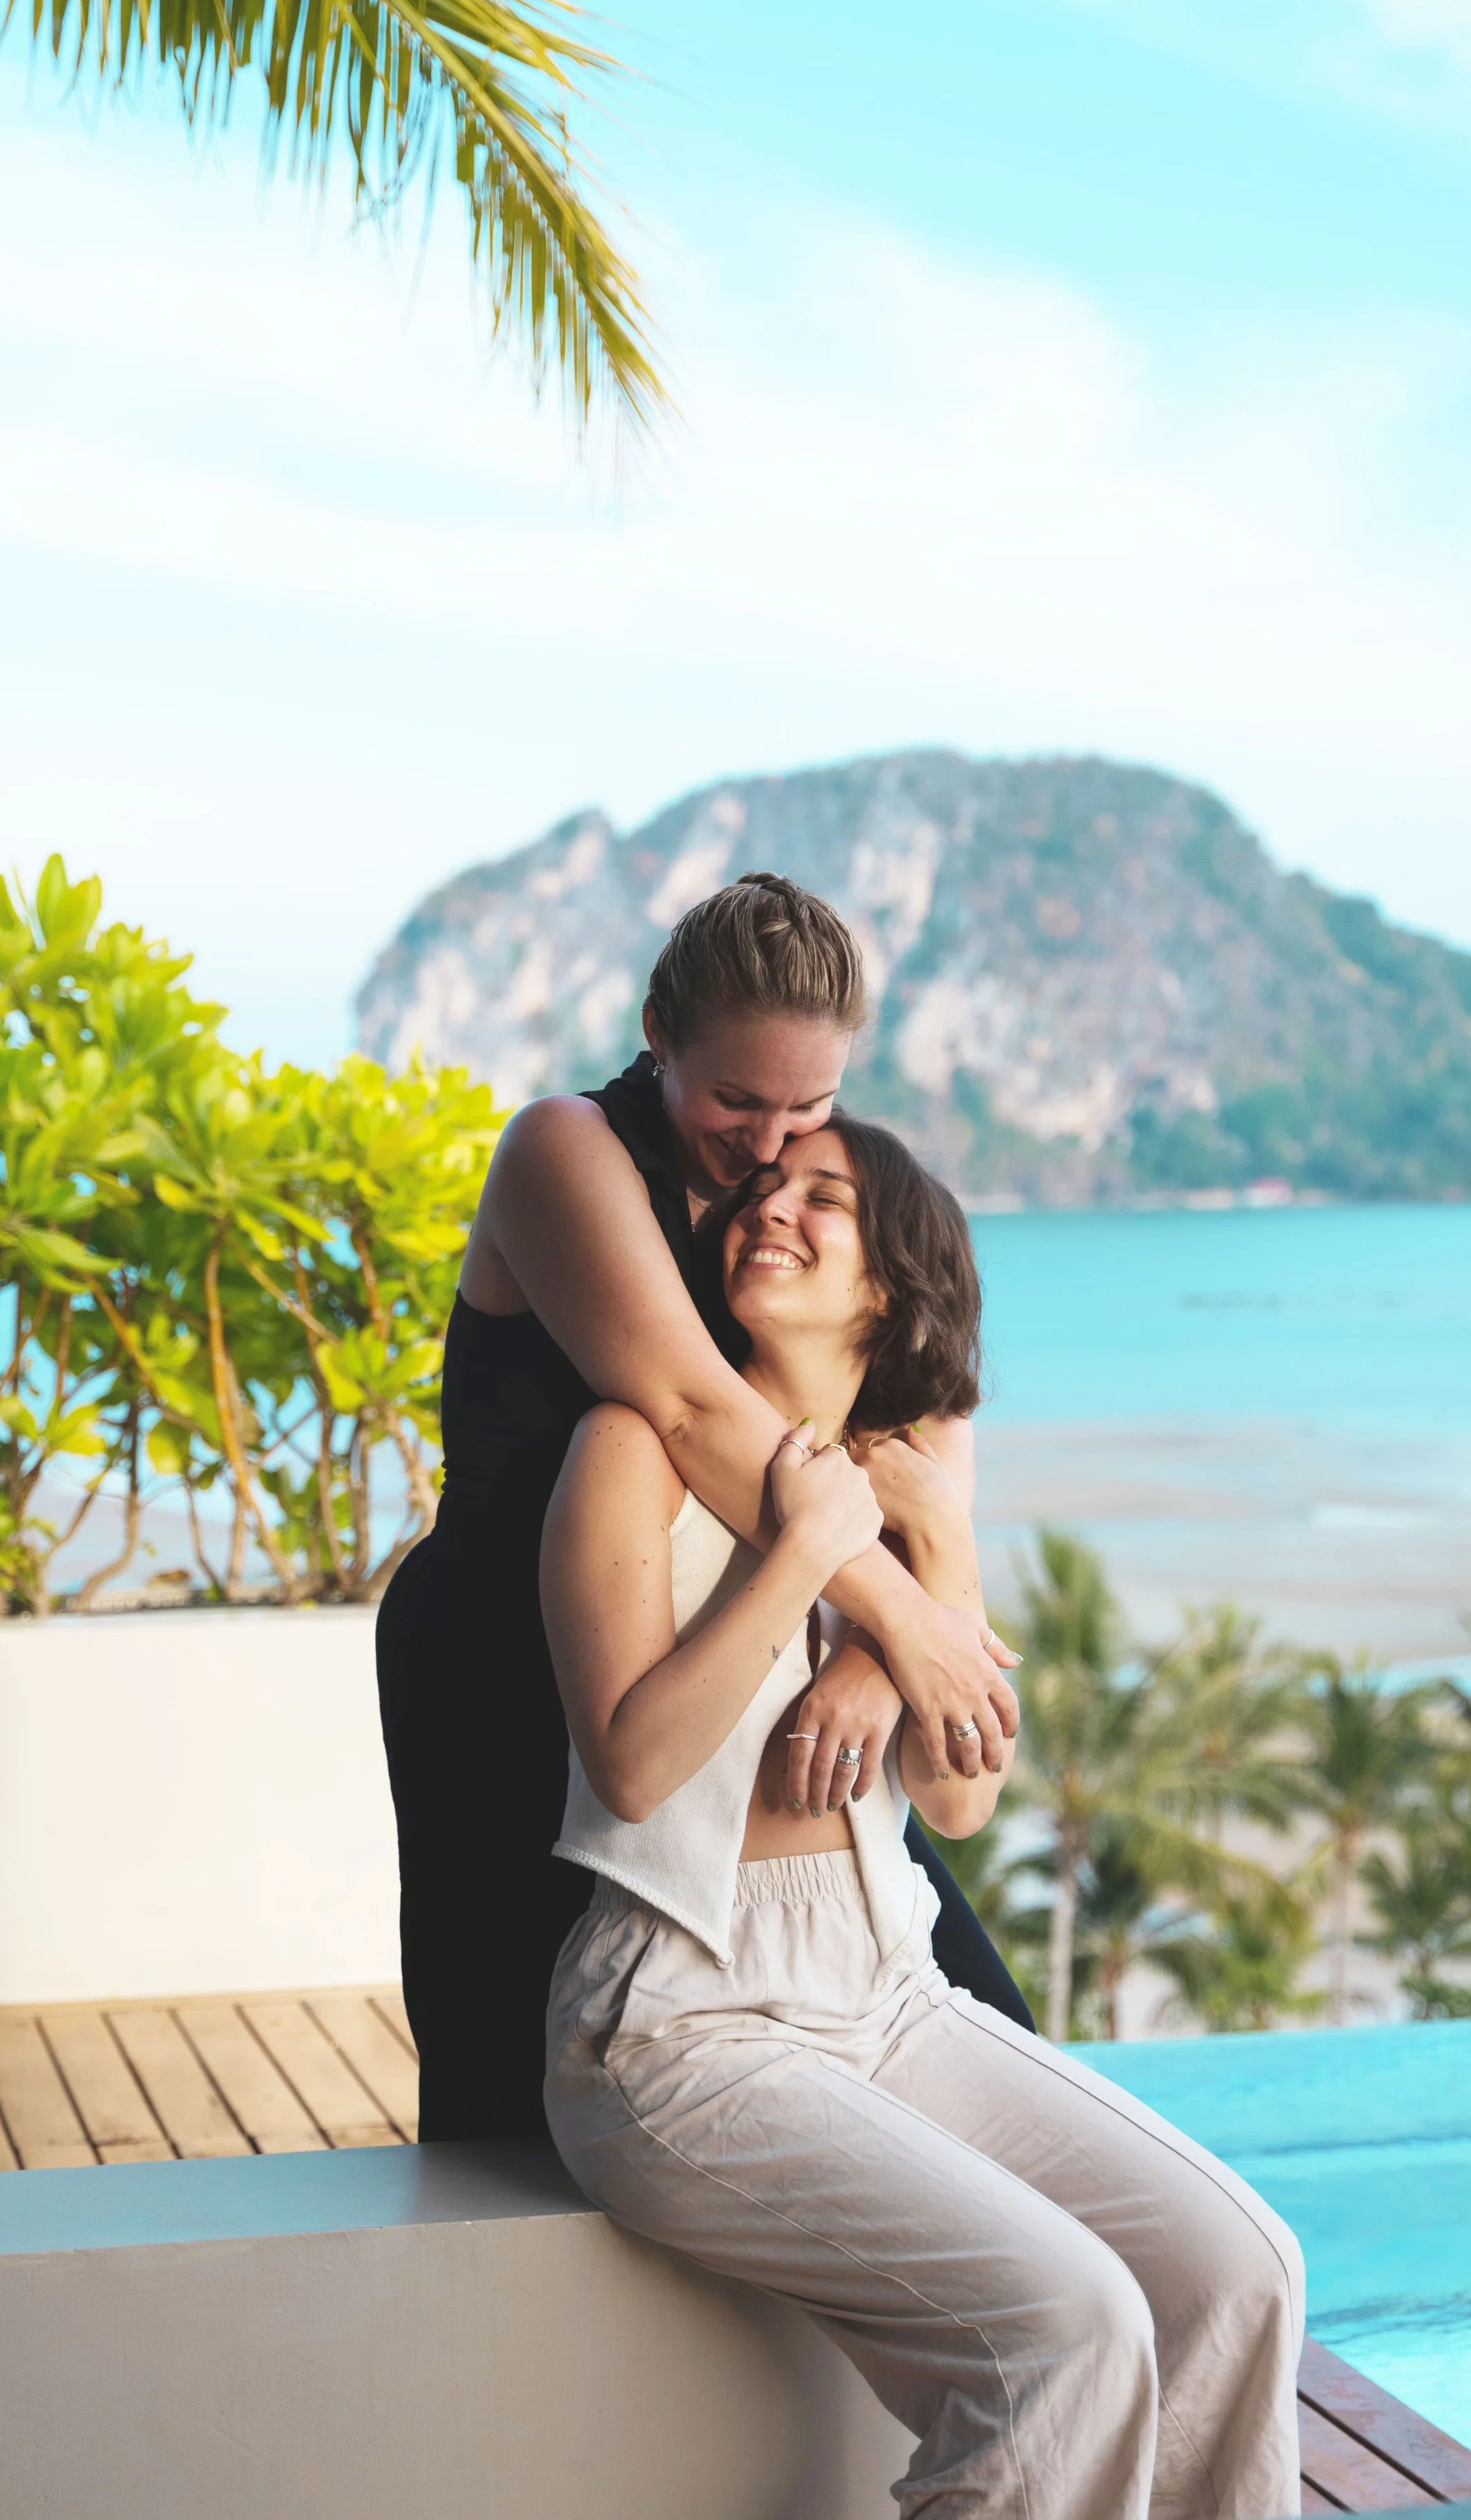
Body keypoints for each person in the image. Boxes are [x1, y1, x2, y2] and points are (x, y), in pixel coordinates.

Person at [542, 1115, 1304, 2520]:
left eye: (820, 1198)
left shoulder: (908, 1482)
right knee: (1067, 2328)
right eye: (761, 1191)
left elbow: (957, 1798)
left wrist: (926, 1563)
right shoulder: (628, 1449)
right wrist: (808, 1563)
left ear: (888, 1284)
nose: (769, 1208)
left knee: (1236, 2268)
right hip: (680, 2026)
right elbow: (633, 1765)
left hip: (887, 1999)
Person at [376, 873, 1028, 2143]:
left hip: (744, 1662)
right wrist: (903, 1615)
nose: (772, 1145)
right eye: (736, 1099)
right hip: (510, 1667)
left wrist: (886, 1667)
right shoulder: (565, 1150)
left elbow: (929, 1405)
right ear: (657, 1032)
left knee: (983, 2031)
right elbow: (685, 1405)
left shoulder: (786, 1195)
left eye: (812, 1104)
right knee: (512, 2115)